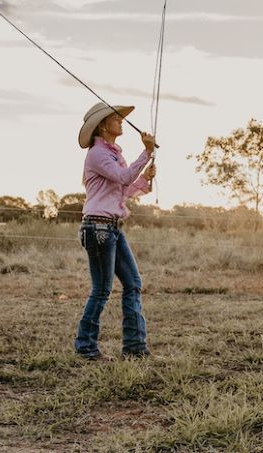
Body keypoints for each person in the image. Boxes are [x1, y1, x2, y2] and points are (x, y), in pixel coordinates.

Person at [74, 102, 157, 360]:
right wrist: (146, 153)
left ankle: (134, 348)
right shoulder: (97, 154)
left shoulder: (113, 154)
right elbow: (123, 178)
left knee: (133, 284)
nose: (121, 121)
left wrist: (144, 179)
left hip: (111, 227)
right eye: (116, 118)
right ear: (102, 125)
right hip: (98, 227)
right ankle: (85, 348)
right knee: (101, 290)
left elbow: (123, 189)